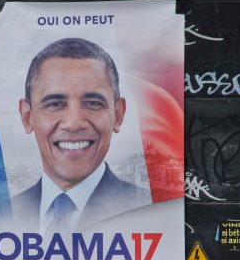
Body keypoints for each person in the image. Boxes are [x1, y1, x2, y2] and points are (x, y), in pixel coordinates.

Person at [11, 37, 150, 234]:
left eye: (93, 103)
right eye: (55, 104)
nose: (74, 123)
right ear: (27, 117)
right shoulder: (0, 216)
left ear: (118, 115)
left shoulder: (150, 213)